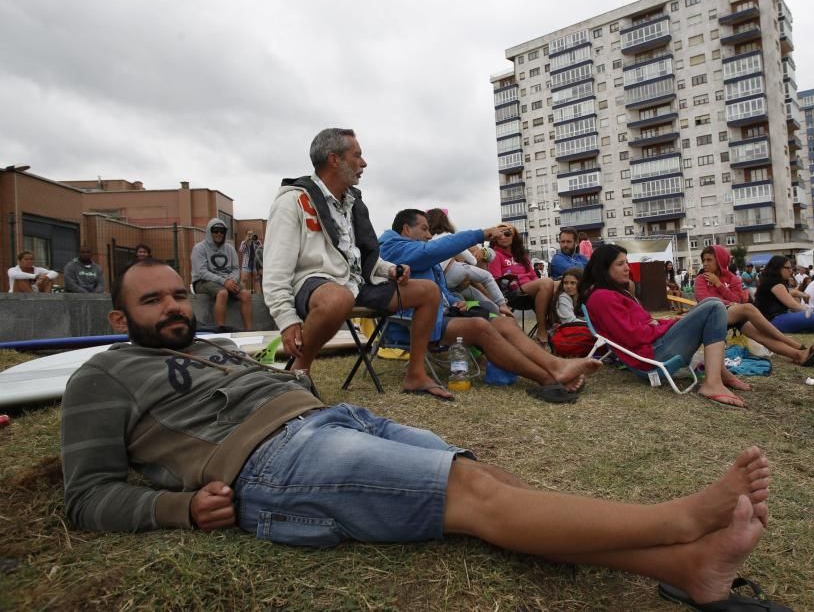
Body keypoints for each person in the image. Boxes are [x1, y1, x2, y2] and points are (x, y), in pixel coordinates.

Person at [60, 258, 775, 608]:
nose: (173, 306)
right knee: (472, 493)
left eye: (177, 293)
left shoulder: (212, 346)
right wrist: (178, 507)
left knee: (492, 481)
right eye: (151, 301)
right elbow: (86, 493)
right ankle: (682, 520)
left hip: (326, 421)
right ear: (121, 319)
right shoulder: (104, 375)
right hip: (271, 462)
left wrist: (300, 388)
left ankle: (682, 570)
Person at [262, 128, 446, 399]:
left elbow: (361, 256)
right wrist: (287, 319)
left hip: (356, 284)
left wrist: (388, 270)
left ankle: (415, 374)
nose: (364, 163)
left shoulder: (353, 203)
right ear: (334, 159)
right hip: (314, 284)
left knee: (429, 292)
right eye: (357, 155)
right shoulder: (294, 201)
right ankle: (299, 375)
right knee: (338, 298)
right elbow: (276, 268)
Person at [379, 210, 601, 398]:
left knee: (505, 323)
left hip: (443, 315)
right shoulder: (391, 248)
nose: (429, 235)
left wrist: (458, 302)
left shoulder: (416, 252)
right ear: (407, 230)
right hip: (413, 323)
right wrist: (481, 234)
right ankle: (547, 377)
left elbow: (443, 291)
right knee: (481, 327)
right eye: (424, 229)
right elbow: (433, 251)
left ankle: (556, 365)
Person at [581, 245, 752, 408]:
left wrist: (668, 322)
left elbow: (643, 323)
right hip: (652, 358)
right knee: (714, 307)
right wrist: (666, 325)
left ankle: (718, 374)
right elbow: (634, 335)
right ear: (603, 269)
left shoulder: (613, 293)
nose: (627, 268)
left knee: (712, 302)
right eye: (620, 264)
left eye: (626, 262)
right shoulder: (602, 297)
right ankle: (712, 383)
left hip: (655, 347)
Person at [695, 246, 814, 367]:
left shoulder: (733, 279)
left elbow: (737, 298)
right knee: (748, 308)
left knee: (761, 336)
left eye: (709, 260)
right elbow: (706, 301)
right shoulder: (701, 279)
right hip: (712, 314)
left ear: (720, 260)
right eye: (704, 260)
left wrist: (719, 285)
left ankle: (799, 355)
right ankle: (799, 346)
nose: (705, 264)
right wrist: (729, 301)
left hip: (733, 314)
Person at [425, 208, 511, 317]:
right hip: (455, 272)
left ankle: (494, 311)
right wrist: (472, 258)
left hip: (443, 283)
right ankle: (502, 306)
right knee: (487, 277)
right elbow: (472, 260)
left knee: (467, 295)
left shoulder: (429, 241)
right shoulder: (451, 237)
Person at [488, 223, 555, 345]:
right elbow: (495, 280)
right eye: (499, 234)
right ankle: (542, 330)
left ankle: (560, 328)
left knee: (558, 285)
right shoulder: (495, 255)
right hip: (511, 292)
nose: (503, 237)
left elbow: (533, 276)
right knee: (547, 283)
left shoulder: (521, 255)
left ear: (514, 237)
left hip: (530, 290)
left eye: (507, 234)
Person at [191, 218, 253, 331]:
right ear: (209, 232)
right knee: (222, 293)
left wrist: (233, 280)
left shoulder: (229, 248)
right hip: (203, 281)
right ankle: (221, 329)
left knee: (246, 295)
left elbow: (235, 268)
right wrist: (224, 282)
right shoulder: (199, 248)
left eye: (222, 231)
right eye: (215, 231)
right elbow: (202, 272)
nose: (219, 233)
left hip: (228, 280)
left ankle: (249, 331)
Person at [753, 256, 814, 333]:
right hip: (772, 320)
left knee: (811, 317)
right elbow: (793, 305)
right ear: (778, 268)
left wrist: (800, 294)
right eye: (788, 268)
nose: (791, 271)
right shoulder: (775, 283)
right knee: (812, 318)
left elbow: (789, 293)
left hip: (771, 318)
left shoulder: (770, 281)